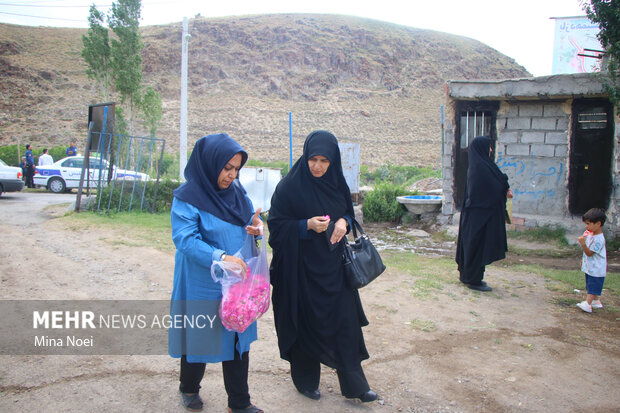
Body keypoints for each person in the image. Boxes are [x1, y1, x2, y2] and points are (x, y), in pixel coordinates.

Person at [267, 130, 378, 403]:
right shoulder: (289, 188)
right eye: (312, 159)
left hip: (333, 268)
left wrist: (343, 222)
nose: (317, 166)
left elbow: (347, 213)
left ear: (333, 162)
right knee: (305, 322)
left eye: (324, 161)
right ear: (305, 157)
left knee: (345, 322)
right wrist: (305, 225)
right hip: (300, 270)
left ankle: (356, 385)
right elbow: (276, 229)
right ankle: (305, 381)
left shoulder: (337, 184)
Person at [169, 133, 264, 413]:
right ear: (210, 164)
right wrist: (221, 258)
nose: (232, 175)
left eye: (236, 169)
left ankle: (239, 402)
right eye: (226, 168)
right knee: (200, 335)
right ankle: (189, 388)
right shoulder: (188, 197)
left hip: (235, 282)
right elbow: (185, 239)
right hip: (202, 280)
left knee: (237, 336)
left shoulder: (238, 194)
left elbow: (249, 227)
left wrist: (256, 231)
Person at [455, 135, 513, 292]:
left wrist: (503, 188)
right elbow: (492, 187)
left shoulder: (482, 166)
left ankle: (472, 276)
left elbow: (498, 181)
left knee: (477, 246)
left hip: (480, 216)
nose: (491, 150)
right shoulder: (480, 168)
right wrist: (503, 189)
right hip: (478, 216)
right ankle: (472, 279)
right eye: (489, 147)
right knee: (475, 246)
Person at [576, 208, 607, 313]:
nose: (586, 226)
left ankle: (588, 304)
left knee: (593, 285)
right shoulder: (590, 233)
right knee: (590, 283)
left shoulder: (599, 239)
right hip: (590, 266)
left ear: (598, 224)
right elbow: (587, 254)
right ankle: (596, 301)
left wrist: (583, 244)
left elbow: (590, 253)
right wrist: (583, 260)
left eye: (589, 224)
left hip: (596, 268)